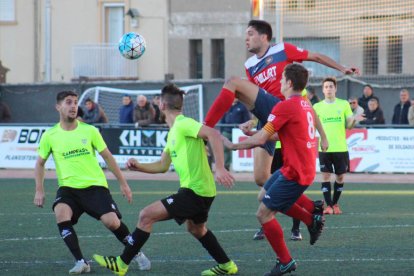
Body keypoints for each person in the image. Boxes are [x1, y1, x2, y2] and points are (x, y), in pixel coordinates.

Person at [203, 19, 358, 240]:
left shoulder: (283, 50)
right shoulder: (250, 66)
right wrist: (250, 118)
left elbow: (315, 57)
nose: (246, 38)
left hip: (284, 112)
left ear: (264, 36)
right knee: (260, 178)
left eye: (250, 34)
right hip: (268, 116)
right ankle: (309, 209)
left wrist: (342, 68)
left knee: (232, 83)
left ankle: (206, 128)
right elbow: (255, 95)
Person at [93, 84, 238, 276]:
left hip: (195, 191)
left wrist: (219, 167)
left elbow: (213, 134)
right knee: (196, 229)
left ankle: (121, 263)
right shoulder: (173, 132)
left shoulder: (183, 123)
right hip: (200, 190)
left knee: (146, 216)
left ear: (161, 105)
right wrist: (139, 166)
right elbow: (162, 165)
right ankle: (227, 266)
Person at [222, 64, 325, 275]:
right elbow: (282, 135)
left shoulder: (284, 106)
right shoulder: (304, 104)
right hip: (298, 166)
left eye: (281, 79)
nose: (279, 82)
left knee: (263, 214)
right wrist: (254, 133)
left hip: (295, 172)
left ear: (288, 83)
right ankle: (311, 219)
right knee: (264, 195)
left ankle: (285, 261)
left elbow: (263, 138)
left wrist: (233, 145)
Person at [33, 90, 151, 274]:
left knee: (112, 223)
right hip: (68, 188)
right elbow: (39, 163)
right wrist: (39, 190)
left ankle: (135, 253)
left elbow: (109, 158)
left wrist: (123, 183)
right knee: (60, 213)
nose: (73, 106)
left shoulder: (90, 131)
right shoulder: (50, 135)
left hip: (95, 187)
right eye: (68, 102)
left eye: (75, 102)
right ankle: (81, 262)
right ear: (58, 107)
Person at [313, 77, 365, 215]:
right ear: (323, 90)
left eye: (331, 86)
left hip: (341, 147)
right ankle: (328, 206)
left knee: (340, 177)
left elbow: (348, 126)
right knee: (325, 177)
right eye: (326, 87)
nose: (329, 89)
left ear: (335, 89)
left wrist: (354, 119)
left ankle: (335, 204)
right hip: (324, 148)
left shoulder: (343, 104)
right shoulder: (317, 107)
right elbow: (312, 126)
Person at [220, 99, 251, 170]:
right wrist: (222, 131)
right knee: (225, 148)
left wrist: (245, 129)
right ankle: (226, 165)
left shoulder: (242, 106)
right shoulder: (226, 106)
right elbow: (222, 119)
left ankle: (239, 166)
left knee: (239, 148)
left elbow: (247, 119)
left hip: (238, 132)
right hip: (227, 131)